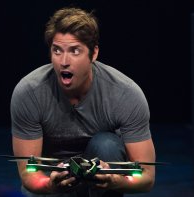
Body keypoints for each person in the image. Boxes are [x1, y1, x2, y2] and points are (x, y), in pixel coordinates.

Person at [10, 7, 156, 197]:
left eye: (75, 51)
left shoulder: (125, 93)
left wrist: (115, 181)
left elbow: (146, 177)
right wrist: (50, 184)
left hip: (100, 184)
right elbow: (28, 173)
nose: (64, 61)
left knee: (107, 144)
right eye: (57, 50)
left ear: (94, 53)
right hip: (51, 182)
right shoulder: (29, 92)